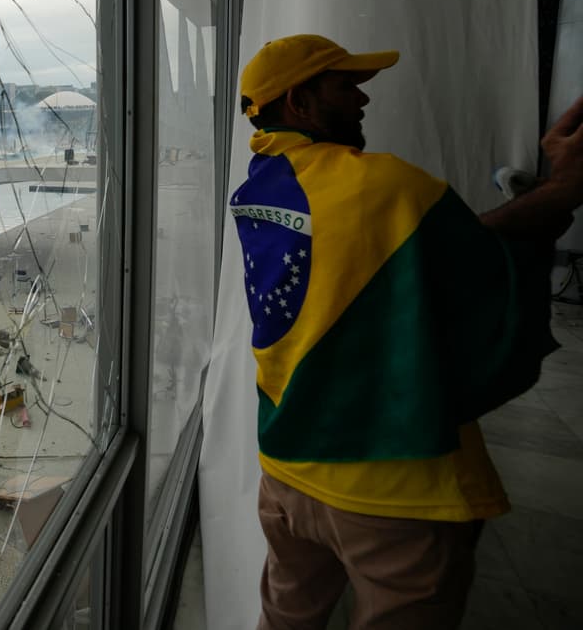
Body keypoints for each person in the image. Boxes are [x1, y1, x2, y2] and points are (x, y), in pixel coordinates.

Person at [232, 34, 583, 630]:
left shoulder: (258, 190)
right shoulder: (388, 186)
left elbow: (401, 255)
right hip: (388, 487)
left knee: (286, 619)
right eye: (347, 87)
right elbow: (481, 263)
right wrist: (562, 189)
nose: (363, 101)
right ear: (300, 102)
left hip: (286, 472)